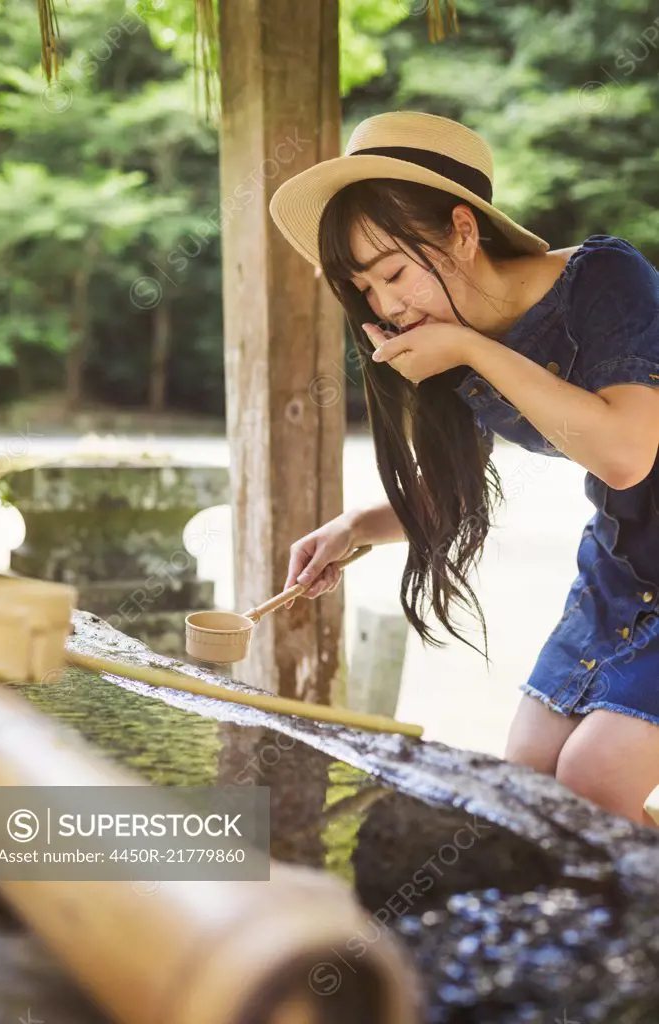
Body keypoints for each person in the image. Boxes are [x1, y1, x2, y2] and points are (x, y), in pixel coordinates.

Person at [268, 110, 659, 827]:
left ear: (463, 230)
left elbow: (628, 455)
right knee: (528, 793)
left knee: (594, 786)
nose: (384, 305)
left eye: (393, 271)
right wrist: (355, 527)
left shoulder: (605, 280)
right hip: (622, 572)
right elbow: (454, 494)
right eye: (364, 287)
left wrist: (473, 352)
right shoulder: (448, 334)